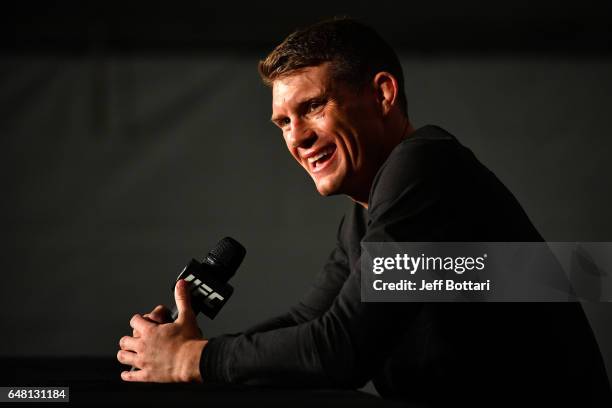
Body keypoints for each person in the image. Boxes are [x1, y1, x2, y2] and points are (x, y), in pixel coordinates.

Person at [117, 18, 610, 406]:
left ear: (382, 94)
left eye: (312, 107)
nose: (297, 137)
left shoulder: (425, 167)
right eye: (283, 122)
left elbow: (341, 350)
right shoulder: (369, 207)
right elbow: (309, 319)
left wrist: (196, 360)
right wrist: (188, 350)